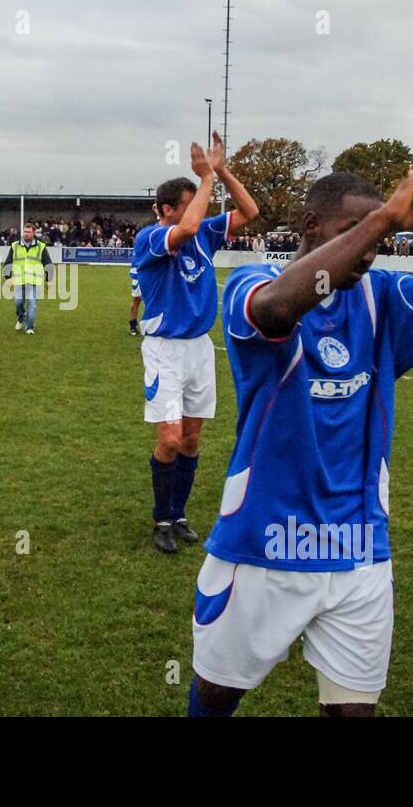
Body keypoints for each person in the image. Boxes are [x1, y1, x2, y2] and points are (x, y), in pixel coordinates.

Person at [188, 165, 413, 719]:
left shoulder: (383, 297)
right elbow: (276, 310)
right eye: (355, 231)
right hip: (264, 545)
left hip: (359, 550)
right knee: (216, 700)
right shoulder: (252, 283)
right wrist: (384, 219)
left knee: (354, 712)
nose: (371, 249)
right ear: (309, 225)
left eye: (381, 238)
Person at [135, 131, 259, 554]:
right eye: (190, 204)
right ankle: (161, 517)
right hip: (164, 349)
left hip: (199, 349)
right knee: (169, 439)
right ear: (167, 209)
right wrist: (206, 179)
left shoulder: (204, 232)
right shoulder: (150, 238)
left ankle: (179, 513)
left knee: (190, 438)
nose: (200, 211)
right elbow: (186, 228)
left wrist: (221, 171)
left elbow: (251, 210)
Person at [3, 222, 53, 335]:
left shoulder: (41, 246)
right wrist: (8, 278)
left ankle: (30, 327)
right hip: (19, 280)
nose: (26, 234)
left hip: (34, 281)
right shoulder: (15, 245)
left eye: (29, 232)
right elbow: (8, 262)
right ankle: (21, 318)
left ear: (34, 233)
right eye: (25, 231)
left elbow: (48, 263)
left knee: (32, 304)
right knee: (18, 302)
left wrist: (49, 280)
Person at [129, 264, 142, 336]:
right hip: (146, 277)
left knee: (135, 301)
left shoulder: (138, 253)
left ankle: (133, 328)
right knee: (151, 303)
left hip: (136, 278)